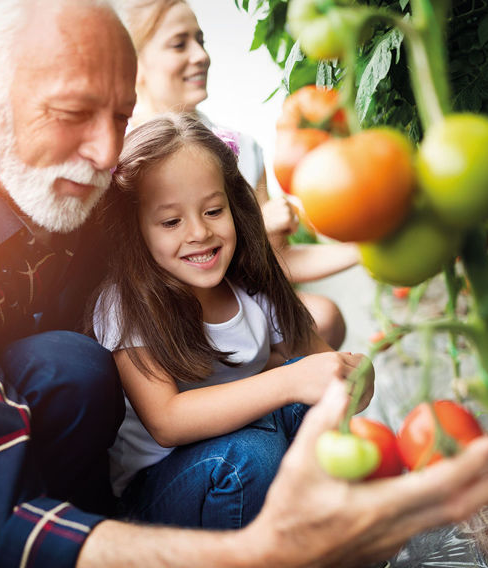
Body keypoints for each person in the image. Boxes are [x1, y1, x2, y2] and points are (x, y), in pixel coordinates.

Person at [0, 0, 488, 568]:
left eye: (120, 116)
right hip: (29, 492)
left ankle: (328, 542)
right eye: (74, 112)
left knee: (286, 404)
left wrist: (339, 374)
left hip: (107, 451)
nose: (106, 153)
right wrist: (255, 560)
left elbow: (302, 341)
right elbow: (1, 520)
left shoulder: (99, 191)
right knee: (222, 440)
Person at [91, 113, 373, 534]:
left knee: (309, 401)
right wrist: (290, 381)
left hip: (244, 459)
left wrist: (354, 378)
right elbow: (167, 421)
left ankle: (315, 535)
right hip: (161, 494)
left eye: (212, 210)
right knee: (248, 455)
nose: (199, 232)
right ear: (136, 229)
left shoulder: (253, 287)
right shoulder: (126, 303)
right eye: (171, 221)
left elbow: (324, 366)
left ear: (233, 206)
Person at [120, 0, 360, 349]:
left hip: (240, 310)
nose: (201, 55)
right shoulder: (121, 160)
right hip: (166, 324)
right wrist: (253, 229)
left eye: (201, 40)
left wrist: (366, 251)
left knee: (324, 317)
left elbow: (279, 261)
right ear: (135, 63)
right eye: (179, 43)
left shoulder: (244, 150)